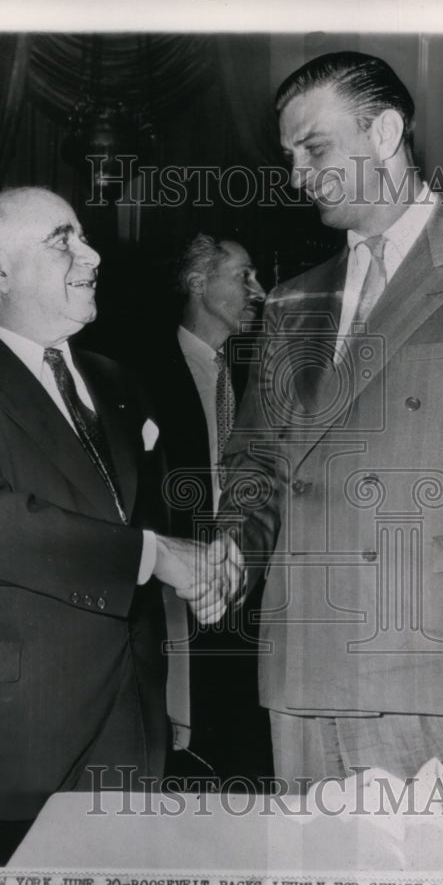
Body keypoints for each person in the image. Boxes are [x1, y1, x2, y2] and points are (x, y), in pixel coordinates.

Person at [216, 52, 443, 799]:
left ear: (383, 132)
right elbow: (257, 467)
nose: (296, 173)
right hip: (307, 670)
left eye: (312, 148)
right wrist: (232, 549)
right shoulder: (290, 301)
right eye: (288, 156)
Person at [0, 186, 239, 865]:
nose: (91, 254)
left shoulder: (123, 381)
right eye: (64, 239)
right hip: (2, 743)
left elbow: (150, 526)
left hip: (130, 733)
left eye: (84, 236)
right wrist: (157, 557)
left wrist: (208, 573)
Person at [141, 234, 272, 781]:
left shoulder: (265, 372)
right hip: (175, 596)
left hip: (254, 587)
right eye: (243, 276)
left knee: (251, 745)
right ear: (198, 282)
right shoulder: (136, 374)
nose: (258, 290)